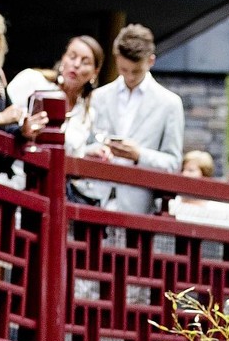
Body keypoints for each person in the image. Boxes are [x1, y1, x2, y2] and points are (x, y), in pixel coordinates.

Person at [77, 23, 184, 214]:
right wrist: (96, 151)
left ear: (150, 61)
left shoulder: (170, 104)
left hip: (138, 207)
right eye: (123, 70)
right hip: (93, 198)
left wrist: (139, 155)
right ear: (117, 59)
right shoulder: (99, 96)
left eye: (136, 71)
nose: (130, 77)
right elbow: (80, 146)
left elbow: (173, 164)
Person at [6, 34, 104, 155]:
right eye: (72, 57)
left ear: (95, 72)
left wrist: (90, 152)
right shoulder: (31, 80)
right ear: (63, 58)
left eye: (85, 62)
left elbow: (74, 152)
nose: (77, 64)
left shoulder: (87, 112)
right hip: (15, 167)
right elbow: (4, 117)